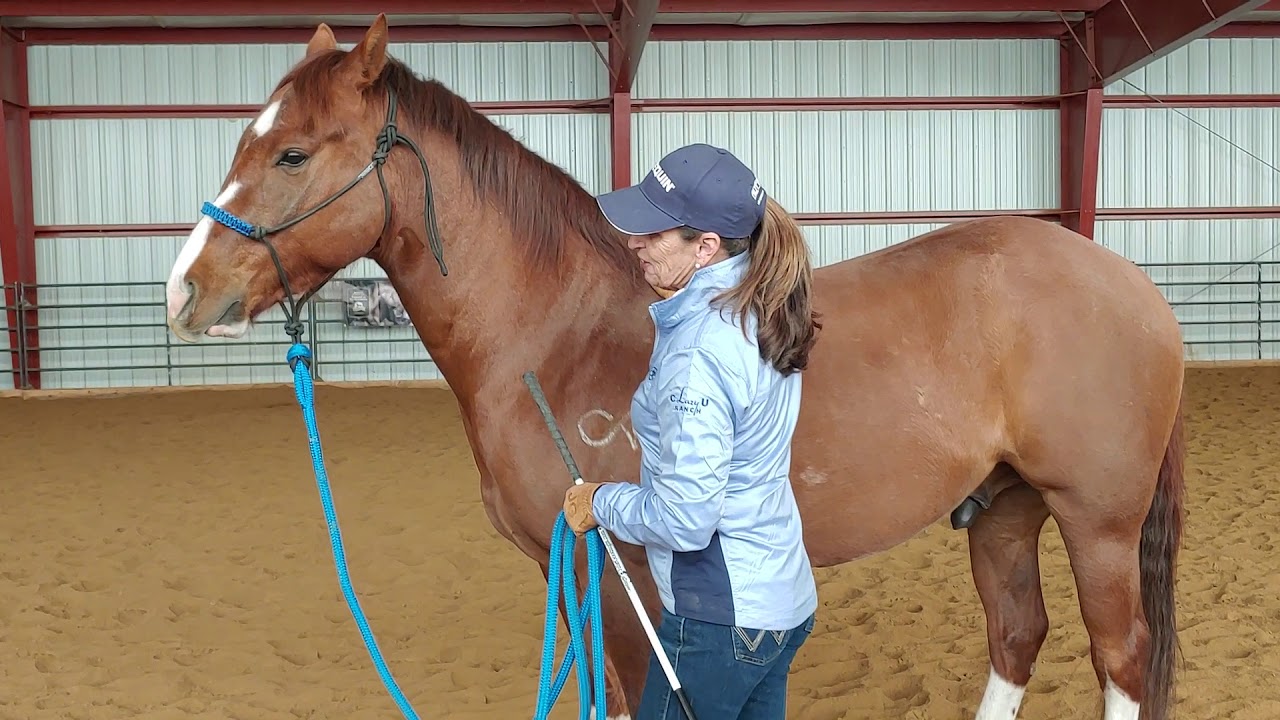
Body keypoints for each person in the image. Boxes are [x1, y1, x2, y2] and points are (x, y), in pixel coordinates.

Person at [561, 143, 822, 720]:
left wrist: (603, 502)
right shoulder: (761, 306)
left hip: (719, 620)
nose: (635, 244)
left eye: (654, 234)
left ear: (705, 247)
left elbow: (685, 519)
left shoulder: (698, 352)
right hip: (779, 600)